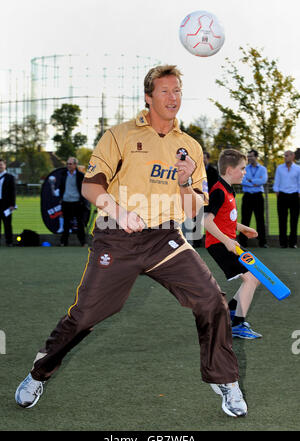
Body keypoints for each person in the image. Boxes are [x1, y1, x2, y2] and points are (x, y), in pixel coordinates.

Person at [15, 65, 247, 418]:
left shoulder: (190, 147)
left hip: (164, 238)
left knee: (212, 300)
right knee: (85, 316)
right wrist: (120, 212)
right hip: (115, 238)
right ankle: (38, 373)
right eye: (165, 91)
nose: (173, 98)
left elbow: (190, 212)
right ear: (148, 97)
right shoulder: (120, 135)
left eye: (178, 91)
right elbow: (91, 186)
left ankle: (226, 380)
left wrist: (185, 181)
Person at [204, 149, 262, 339]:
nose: (245, 172)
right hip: (219, 244)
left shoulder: (229, 189)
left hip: (229, 242)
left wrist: (243, 228)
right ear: (230, 170)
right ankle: (237, 325)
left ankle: (229, 314)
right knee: (251, 279)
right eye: (242, 168)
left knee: (255, 277)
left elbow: (225, 219)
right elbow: (206, 221)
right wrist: (227, 241)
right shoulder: (218, 191)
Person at [239, 149, 268, 248]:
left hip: (258, 196)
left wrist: (250, 180)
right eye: (248, 156)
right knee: (245, 220)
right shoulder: (244, 168)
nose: (249, 158)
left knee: (260, 219)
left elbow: (263, 180)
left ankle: (262, 242)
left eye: (251, 156)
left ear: (256, 157)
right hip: (247, 196)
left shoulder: (263, 169)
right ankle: (242, 243)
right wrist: (255, 182)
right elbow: (242, 180)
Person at [273, 150, 300, 248]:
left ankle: (293, 243)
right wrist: (276, 191)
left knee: (294, 220)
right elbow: (277, 181)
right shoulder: (279, 168)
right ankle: (283, 243)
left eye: (287, 155)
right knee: (282, 220)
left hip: (294, 196)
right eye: (284, 155)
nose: (285, 157)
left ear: (293, 156)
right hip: (282, 196)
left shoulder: (298, 168)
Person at [59, 157, 86, 247]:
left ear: (75, 165)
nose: (68, 165)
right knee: (66, 223)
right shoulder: (63, 175)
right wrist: (61, 199)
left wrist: (83, 201)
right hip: (66, 202)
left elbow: (84, 189)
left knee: (80, 223)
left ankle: (83, 242)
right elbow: (61, 188)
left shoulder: (80, 176)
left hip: (77, 202)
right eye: (67, 164)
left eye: (70, 164)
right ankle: (63, 242)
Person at [0, 158, 16, 247]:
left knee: (7, 224)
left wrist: (12, 204)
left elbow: (13, 191)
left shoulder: (10, 177)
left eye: (1, 164)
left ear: (5, 165)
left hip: (6, 204)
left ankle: (9, 242)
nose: (0, 166)